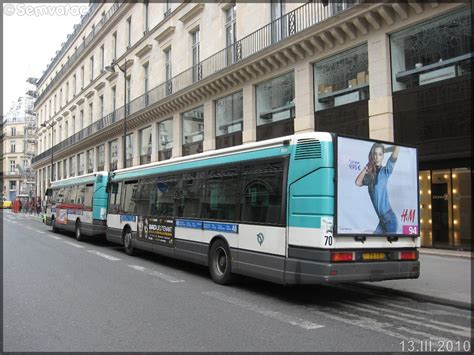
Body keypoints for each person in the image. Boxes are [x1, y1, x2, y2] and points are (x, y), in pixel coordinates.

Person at [355, 143, 400, 234]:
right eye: (375, 154)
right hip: (382, 221)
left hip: (389, 219)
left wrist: (385, 150)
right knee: (373, 245)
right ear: (372, 156)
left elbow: (397, 148)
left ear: (383, 156)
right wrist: (366, 167)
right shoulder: (370, 176)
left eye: (380, 154)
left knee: (388, 247)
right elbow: (358, 182)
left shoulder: (385, 171)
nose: (377, 157)